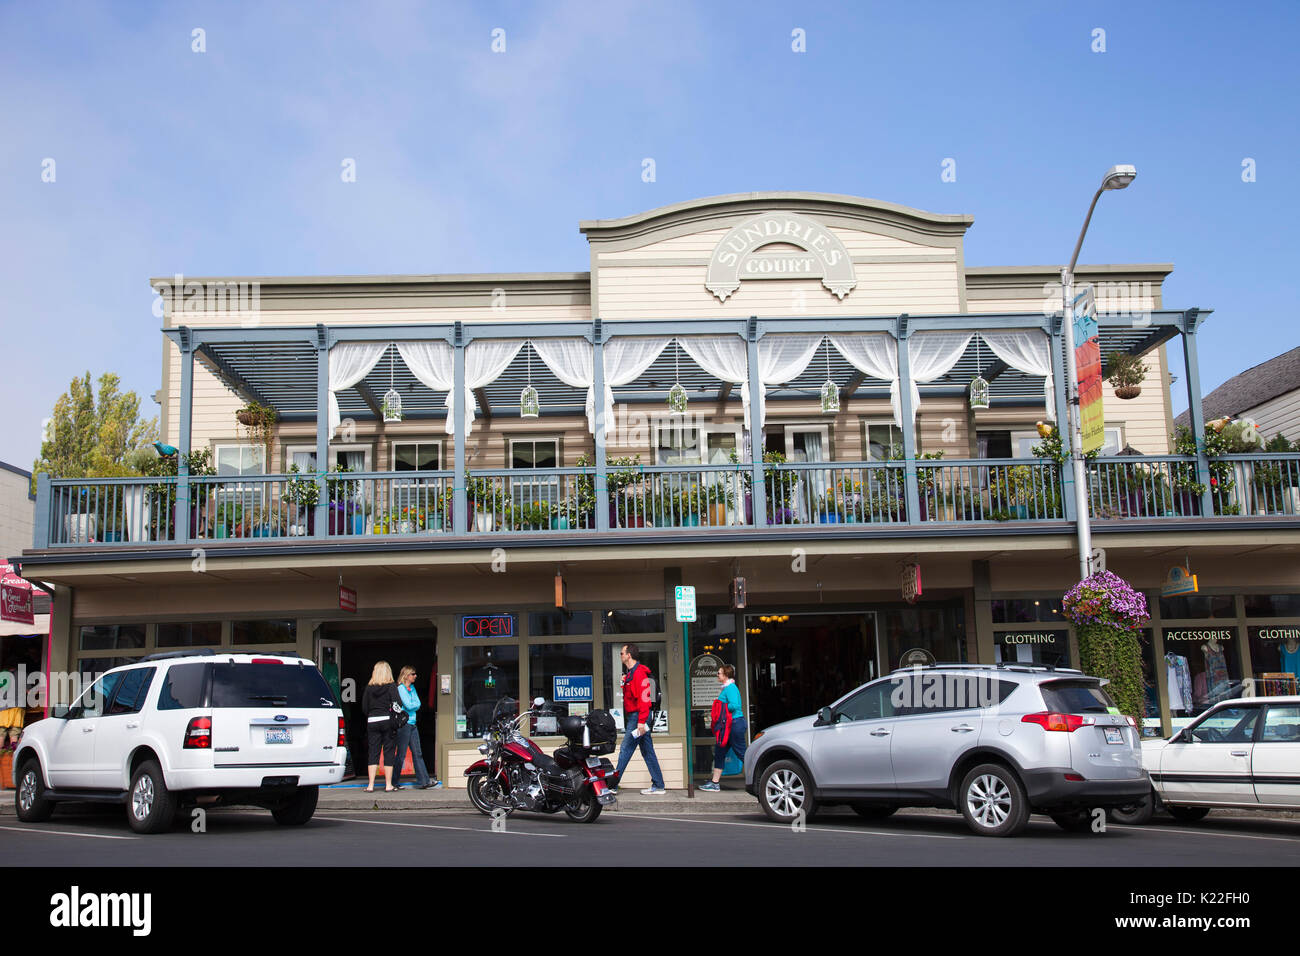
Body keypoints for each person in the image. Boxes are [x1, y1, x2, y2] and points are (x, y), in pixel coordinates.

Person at [611, 643, 666, 795]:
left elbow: (644, 699)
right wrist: (624, 683)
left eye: (622, 653)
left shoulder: (639, 673)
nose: (621, 655)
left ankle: (612, 785)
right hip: (637, 716)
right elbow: (633, 696)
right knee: (647, 751)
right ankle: (659, 785)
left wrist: (641, 721)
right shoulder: (631, 673)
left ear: (629, 655)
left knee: (626, 749)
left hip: (638, 717)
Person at [699, 664, 746, 792]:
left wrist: (721, 709)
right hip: (730, 725)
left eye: (719, 673)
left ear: (725, 675)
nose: (717, 675)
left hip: (734, 725)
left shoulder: (730, 688)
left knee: (742, 753)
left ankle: (760, 778)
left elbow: (735, 705)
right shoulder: (727, 688)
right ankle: (715, 783)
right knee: (719, 752)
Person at [394, 665, 440, 789]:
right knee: (401, 754)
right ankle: (393, 782)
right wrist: (414, 705)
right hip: (404, 724)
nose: (415, 676)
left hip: (413, 723)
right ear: (406, 675)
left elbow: (418, 704)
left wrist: (414, 705)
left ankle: (424, 781)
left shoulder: (412, 688)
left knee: (417, 753)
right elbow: (409, 705)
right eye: (413, 674)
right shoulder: (401, 688)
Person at [362, 661, 403, 793]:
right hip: (387, 721)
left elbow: (364, 708)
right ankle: (388, 785)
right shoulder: (391, 686)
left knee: (373, 752)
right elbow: (398, 705)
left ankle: (370, 785)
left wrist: (372, 713)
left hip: (372, 721)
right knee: (388, 752)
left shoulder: (369, 687)